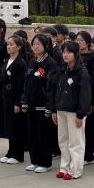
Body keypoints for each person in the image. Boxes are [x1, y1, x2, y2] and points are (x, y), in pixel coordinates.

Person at [49, 41, 91, 180]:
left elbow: (85, 95)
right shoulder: (62, 70)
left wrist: (81, 114)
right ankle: (64, 167)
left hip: (74, 113)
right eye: (63, 52)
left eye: (68, 52)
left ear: (76, 54)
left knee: (75, 142)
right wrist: (54, 110)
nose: (65, 55)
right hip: (61, 110)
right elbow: (55, 90)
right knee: (63, 140)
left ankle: (75, 170)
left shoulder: (82, 72)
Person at [23, 34, 58, 173]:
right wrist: (24, 101)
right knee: (32, 134)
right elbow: (26, 83)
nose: (35, 47)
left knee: (43, 135)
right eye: (33, 44)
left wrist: (50, 106)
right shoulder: (31, 62)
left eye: (38, 44)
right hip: (31, 104)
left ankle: (45, 162)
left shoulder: (50, 63)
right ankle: (35, 160)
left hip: (43, 106)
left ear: (45, 46)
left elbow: (51, 87)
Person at [0, 35, 28, 164]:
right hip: (6, 97)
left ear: (19, 47)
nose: (8, 47)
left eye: (11, 44)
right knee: (9, 125)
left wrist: (18, 103)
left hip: (14, 98)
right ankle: (11, 151)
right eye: (8, 44)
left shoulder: (20, 63)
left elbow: (21, 85)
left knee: (16, 126)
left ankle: (18, 154)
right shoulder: (7, 60)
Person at [77, 30, 94, 165]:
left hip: (90, 98)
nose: (78, 42)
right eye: (77, 40)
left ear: (88, 43)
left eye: (81, 40)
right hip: (76, 98)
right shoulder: (75, 56)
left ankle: (88, 156)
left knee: (89, 129)